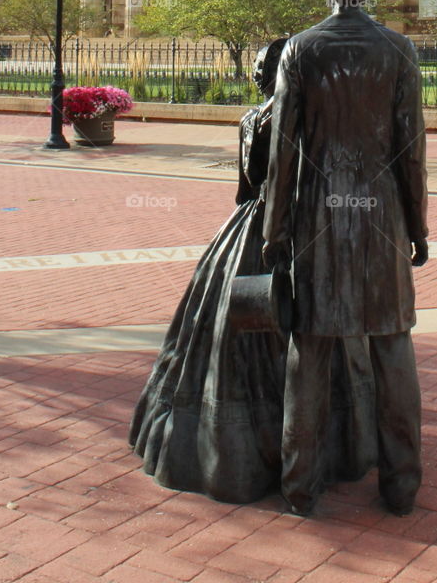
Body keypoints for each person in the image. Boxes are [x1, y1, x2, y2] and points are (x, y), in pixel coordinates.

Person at [129, 37, 376, 503]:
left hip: (256, 227)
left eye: (261, 69)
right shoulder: (314, 120)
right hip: (309, 230)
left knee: (230, 325)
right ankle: (324, 444)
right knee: (321, 336)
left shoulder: (252, 120)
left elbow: (245, 188)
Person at [263, 0, 428, 518]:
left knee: (309, 351)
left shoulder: (300, 50)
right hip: (382, 215)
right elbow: (412, 151)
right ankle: (402, 483)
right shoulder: (399, 50)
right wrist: (419, 226)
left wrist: (274, 230)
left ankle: (300, 485)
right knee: (392, 346)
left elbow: (284, 152)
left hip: (317, 216)